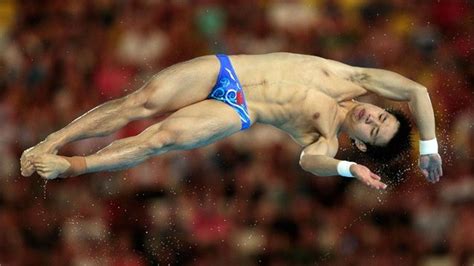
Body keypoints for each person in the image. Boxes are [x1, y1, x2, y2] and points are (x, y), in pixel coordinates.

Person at [20, 53, 443, 189]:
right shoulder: (354, 78)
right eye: (382, 115)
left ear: (363, 144)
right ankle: (50, 142)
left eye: (373, 129)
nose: (372, 117)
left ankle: (70, 166)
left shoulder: (325, 138)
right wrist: (429, 145)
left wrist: (348, 169)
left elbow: (309, 163)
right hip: (228, 71)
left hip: (236, 110)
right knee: (141, 103)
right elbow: (417, 91)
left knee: (159, 140)